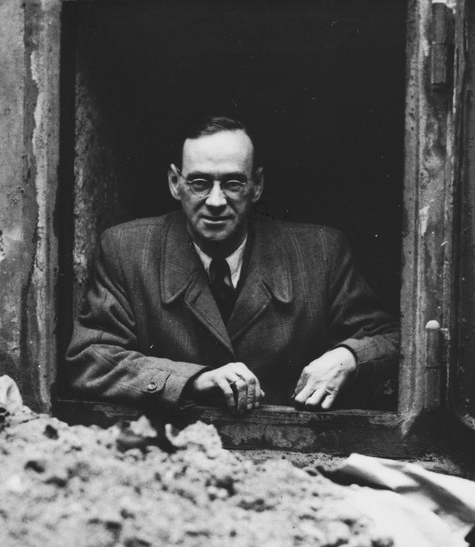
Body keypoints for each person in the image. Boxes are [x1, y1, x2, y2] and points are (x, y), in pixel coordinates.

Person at [63, 116, 399, 415]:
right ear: (174, 183)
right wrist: (192, 380)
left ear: (257, 186)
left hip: (289, 456)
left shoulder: (320, 253)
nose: (216, 201)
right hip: (174, 454)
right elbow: (91, 357)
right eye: (200, 183)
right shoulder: (127, 250)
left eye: (233, 183)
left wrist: (349, 358)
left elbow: (391, 338)